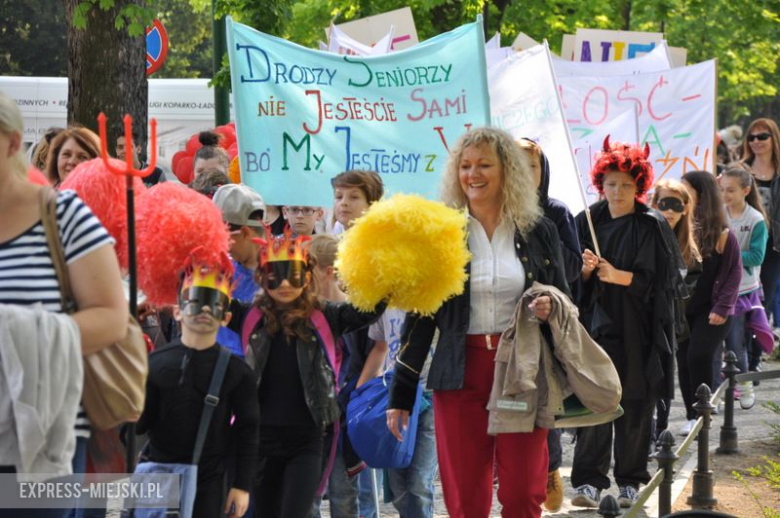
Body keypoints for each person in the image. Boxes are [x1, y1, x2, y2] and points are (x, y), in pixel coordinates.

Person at [387, 127, 570, 518]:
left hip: (520, 371)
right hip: (459, 373)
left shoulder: (539, 230)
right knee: (466, 499)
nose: (474, 174)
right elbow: (420, 319)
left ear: (508, 171)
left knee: (523, 493)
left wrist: (548, 308)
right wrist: (401, 393)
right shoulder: (441, 234)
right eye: (465, 166)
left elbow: (565, 301)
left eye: (485, 164)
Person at [0, 92, 127, 514]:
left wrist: (20, 333)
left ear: (13, 144)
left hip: (38, 437)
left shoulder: (64, 214)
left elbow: (111, 317)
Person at [228, 231, 384, 518]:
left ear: (308, 276)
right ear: (262, 276)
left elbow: (367, 311)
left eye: (294, 274)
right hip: (261, 437)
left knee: (296, 513)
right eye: (277, 274)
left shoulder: (327, 315)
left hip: (308, 437)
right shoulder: (246, 315)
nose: (286, 283)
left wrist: (390, 272)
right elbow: (207, 298)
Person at [571, 139, 684, 509]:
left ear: (639, 187)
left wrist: (621, 277)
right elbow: (569, 284)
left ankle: (630, 478)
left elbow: (663, 286)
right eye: (610, 184)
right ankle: (588, 479)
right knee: (594, 402)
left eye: (625, 185)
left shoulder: (651, 226)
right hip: (596, 330)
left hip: (639, 330)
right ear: (600, 185)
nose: (617, 192)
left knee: (635, 404)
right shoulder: (585, 221)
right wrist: (585, 273)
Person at [136, 256, 258, 518]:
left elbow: (248, 430)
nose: (204, 311)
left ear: (225, 318)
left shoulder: (237, 373)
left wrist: (242, 485)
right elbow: (139, 425)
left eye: (213, 306)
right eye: (196, 302)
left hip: (210, 482)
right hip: (161, 478)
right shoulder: (155, 364)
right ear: (178, 310)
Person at [518, 138, 581, 513]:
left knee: (544, 402)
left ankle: (550, 468)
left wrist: (545, 238)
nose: (525, 175)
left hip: (544, 323)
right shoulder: (491, 211)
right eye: (517, 165)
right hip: (502, 326)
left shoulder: (556, 212)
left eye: (533, 167)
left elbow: (570, 269)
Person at [678, 171, 741, 430]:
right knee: (683, 361)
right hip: (682, 311)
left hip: (713, 311)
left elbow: (734, 274)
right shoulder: (677, 228)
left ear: (701, 194)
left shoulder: (722, 234)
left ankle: (702, 413)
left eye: (686, 190)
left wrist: (723, 307)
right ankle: (692, 416)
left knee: (699, 355)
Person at [720, 166, 769, 409]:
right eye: (722, 190)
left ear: (745, 191)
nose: (725, 194)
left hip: (743, 290)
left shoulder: (756, 219)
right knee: (719, 344)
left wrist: (729, 254)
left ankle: (745, 385)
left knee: (736, 342)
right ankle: (719, 389)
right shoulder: (718, 214)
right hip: (719, 288)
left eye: (731, 190)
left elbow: (757, 256)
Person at [212, 184, 266, 356]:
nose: (221, 245)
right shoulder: (220, 269)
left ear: (245, 233)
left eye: (224, 237)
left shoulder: (283, 280)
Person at [741, 119, 780, 327]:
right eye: (751, 137)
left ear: (774, 138)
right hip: (744, 239)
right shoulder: (741, 170)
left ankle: (756, 353)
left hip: (773, 244)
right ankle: (741, 352)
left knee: (767, 294)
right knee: (742, 295)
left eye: (762, 136)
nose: (756, 141)